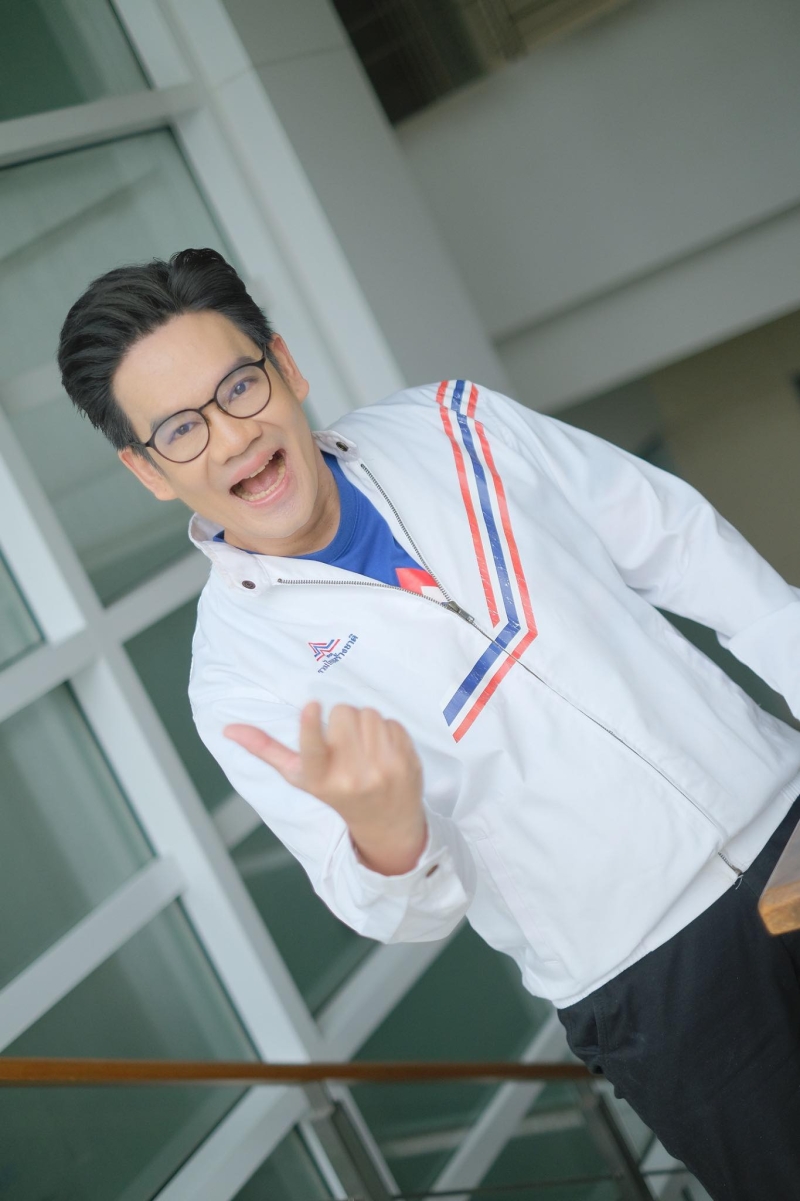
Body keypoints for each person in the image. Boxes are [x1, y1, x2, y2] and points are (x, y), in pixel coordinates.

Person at [59, 248, 800, 1200]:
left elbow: (678, 543)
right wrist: (388, 835)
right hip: (655, 982)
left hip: (783, 812)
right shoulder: (238, 679)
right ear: (147, 469)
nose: (232, 436)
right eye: (180, 429)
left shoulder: (456, 423)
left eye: (239, 386)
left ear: (287, 366)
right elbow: (390, 909)